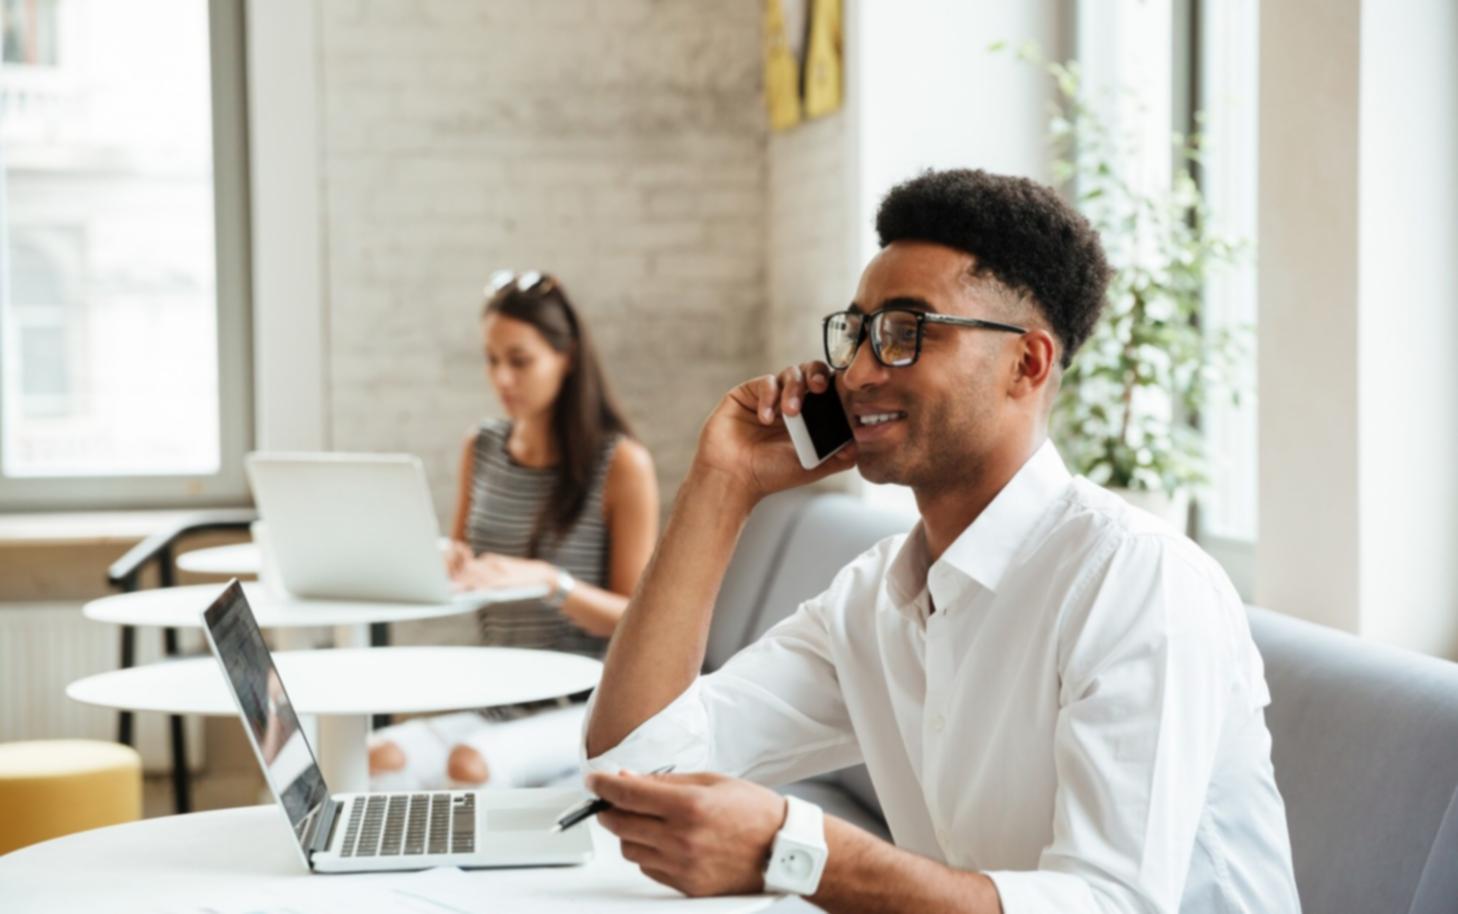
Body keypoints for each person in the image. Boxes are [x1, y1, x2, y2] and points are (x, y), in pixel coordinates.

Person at [582, 169, 1301, 912]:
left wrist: (799, 852)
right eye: (857, 333)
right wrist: (723, 484)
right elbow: (638, 769)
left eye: (905, 333)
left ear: (1026, 364)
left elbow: (1109, 904)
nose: (857, 373)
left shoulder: (1136, 581)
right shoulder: (874, 599)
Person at [369, 270, 659, 790]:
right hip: (499, 699)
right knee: (375, 757)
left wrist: (551, 582)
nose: (502, 378)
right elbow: (464, 563)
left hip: (586, 706)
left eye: (520, 361)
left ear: (566, 357)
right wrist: (447, 562)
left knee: (468, 764)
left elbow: (636, 621)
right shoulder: (481, 447)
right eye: (492, 360)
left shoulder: (621, 465)